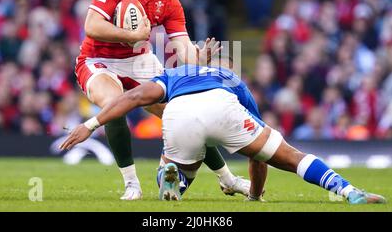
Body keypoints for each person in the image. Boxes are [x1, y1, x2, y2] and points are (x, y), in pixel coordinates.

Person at [74, 0, 249, 200]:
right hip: (99, 59)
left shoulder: (169, 0)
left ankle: (227, 179)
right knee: (114, 103)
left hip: (139, 59)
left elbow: (184, 50)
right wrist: (131, 36)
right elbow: (91, 26)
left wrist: (200, 58)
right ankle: (131, 184)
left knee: (184, 113)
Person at [61, 62, 386, 204]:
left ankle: (169, 175)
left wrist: (90, 125)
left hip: (180, 111)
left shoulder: (171, 76)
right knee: (290, 156)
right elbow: (258, 160)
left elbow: (130, 98)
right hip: (223, 104)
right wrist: (255, 196)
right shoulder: (232, 78)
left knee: (176, 168)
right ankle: (347, 191)